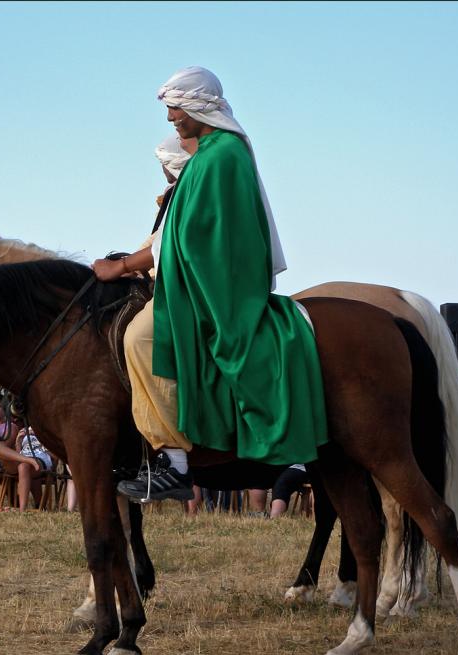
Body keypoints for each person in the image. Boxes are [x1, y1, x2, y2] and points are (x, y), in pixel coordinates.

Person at [93, 66, 327, 502]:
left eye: (175, 109)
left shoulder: (219, 156)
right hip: (198, 275)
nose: (171, 120)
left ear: (198, 106)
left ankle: (174, 463)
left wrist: (123, 266)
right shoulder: (214, 154)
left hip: (216, 287)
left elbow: (188, 239)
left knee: (140, 337)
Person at [12, 425, 53, 512]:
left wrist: (42, 438)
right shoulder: (25, 429)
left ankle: (22, 510)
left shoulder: (50, 429)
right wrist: (18, 440)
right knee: (23, 466)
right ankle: (38, 505)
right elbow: (18, 453)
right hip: (23, 457)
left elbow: (55, 455)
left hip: (41, 458)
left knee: (24, 466)